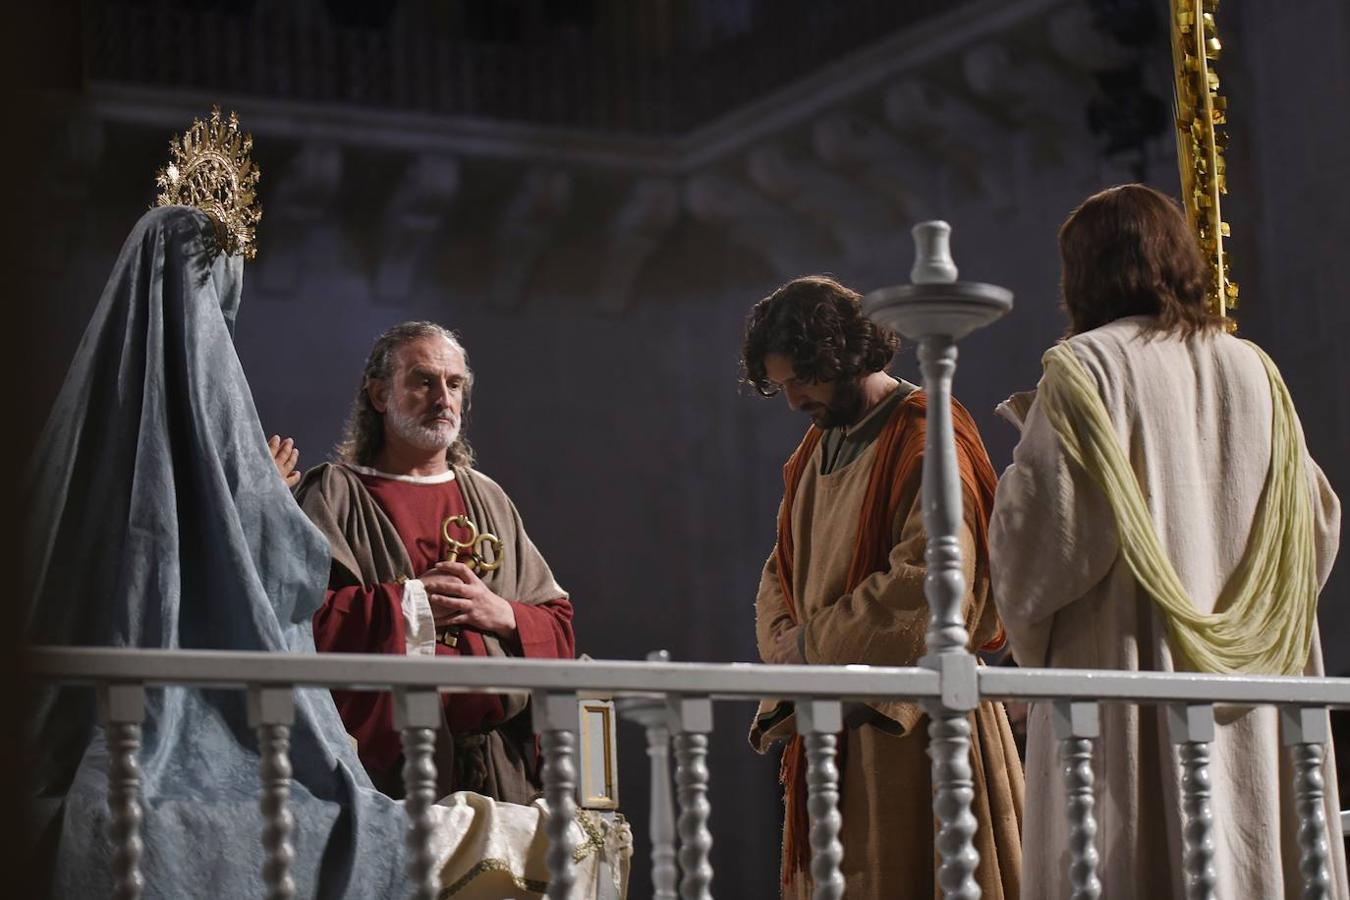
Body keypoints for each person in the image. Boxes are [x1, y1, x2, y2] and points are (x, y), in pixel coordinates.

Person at [22, 111, 418, 894]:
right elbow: (281, 567)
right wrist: (266, 493)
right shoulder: (213, 392)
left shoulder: (89, 401)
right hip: (196, 731)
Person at [988, 183, 1345, 897]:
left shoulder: (1088, 368)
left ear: (1080, 274)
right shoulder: (1256, 370)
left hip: (1133, 686)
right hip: (1251, 696)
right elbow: (1315, 525)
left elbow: (1043, 543)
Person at [741, 276, 1023, 899]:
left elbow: (932, 579)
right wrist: (788, 641)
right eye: (781, 386)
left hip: (915, 728)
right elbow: (780, 569)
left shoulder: (926, 432)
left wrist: (813, 642)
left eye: (801, 381)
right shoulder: (817, 446)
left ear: (840, 356)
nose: (792, 402)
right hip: (834, 727)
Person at [295, 322, 574, 804]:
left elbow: (559, 625)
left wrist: (500, 614)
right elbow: (298, 621)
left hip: (496, 768)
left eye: (454, 384)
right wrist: (411, 605)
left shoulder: (488, 498)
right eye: (423, 381)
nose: (442, 398)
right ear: (380, 394)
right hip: (380, 770)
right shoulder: (335, 494)